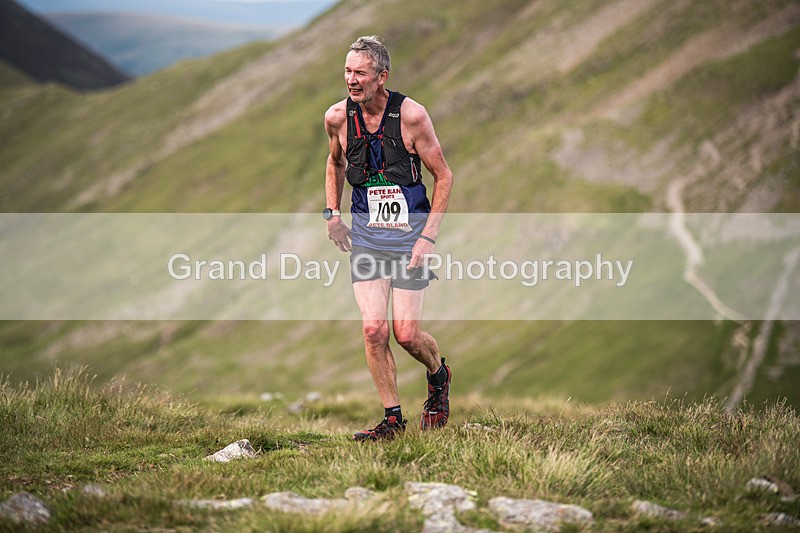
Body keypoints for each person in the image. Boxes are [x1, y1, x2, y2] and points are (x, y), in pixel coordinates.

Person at [323, 36, 454, 441]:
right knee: (373, 330)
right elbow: (335, 162)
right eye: (348, 71)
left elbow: (444, 176)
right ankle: (392, 420)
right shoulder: (337, 118)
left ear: (382, 77)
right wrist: (332, 213)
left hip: (410, 238)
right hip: (366, 238)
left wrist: (428, 238)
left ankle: (438, 376)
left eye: (360, 73)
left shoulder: (412, 116)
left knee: (406, 334)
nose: (351, 80)